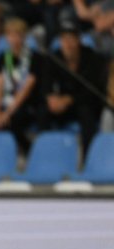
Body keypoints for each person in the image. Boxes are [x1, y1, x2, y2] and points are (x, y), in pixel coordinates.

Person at [38, 20, 108, 157]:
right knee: (43, 111)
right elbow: (44, 85)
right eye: (63, 39)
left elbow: (94, 90)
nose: (67, 43)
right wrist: (50, 98)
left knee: (87, 113)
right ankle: (47, 154)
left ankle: (89, 157)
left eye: (71, 38)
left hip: (82, 103)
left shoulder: (93, 58)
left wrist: (70, 99)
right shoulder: (53, 58)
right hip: (61, 105)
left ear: (78, 39)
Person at [0, 18, 42, 155]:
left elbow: (25, 90)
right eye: (11, 35)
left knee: (11, 123)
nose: (14, 39)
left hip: (28, 104)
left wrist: (7, 113)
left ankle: (32, 153)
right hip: (8, 102)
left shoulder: (34, 57)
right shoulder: (3, 57)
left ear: (24, 37)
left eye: (18, 35)